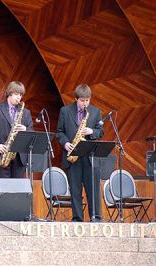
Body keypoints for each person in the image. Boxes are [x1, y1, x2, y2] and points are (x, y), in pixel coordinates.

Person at [56, 84, 104, 222]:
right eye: (82, 100)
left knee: (93, 190)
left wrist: (92, 131)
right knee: (75, 191)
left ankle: (96, 218)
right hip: (72, 156)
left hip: (90, 158)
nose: (85, 103)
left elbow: (101, 131)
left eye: (87, 100)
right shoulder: (65, 111)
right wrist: (66, 144)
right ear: (76, 99)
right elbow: (59, 132)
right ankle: (77, 219)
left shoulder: (95, 112)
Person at [0, 81, 33, 178]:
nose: (19, 97)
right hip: (2, 154)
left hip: (19, 157)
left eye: (20, 95)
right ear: (9, 93)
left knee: (18, 190)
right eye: (16, 94)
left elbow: (31, 130)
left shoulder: (26, 112)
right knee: (3, 189)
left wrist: (25, 129)